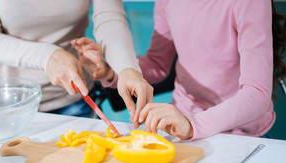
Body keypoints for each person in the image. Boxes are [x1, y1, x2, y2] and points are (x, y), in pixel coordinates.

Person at [72, 0, 286, 140]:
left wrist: (192, 124)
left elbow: (257, 95)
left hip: (241, 133)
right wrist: (113, 73)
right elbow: (157, 64)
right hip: (182, 124)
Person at [0, 0, 153, 119]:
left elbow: (109, 18)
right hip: (1, 104)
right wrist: (48, 57)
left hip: (71, 97)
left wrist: (127, 68)